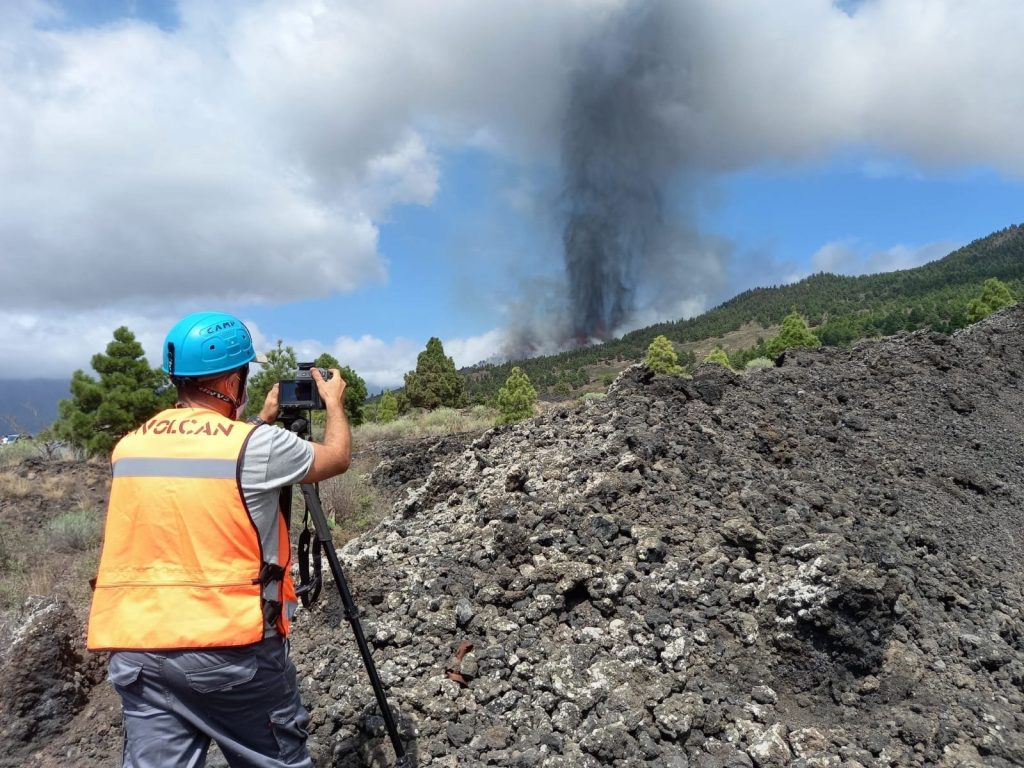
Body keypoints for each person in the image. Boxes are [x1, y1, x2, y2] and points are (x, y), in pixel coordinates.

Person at [86, 311, 351, 768]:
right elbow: (336, 457)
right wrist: (333, 403)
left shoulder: (129, 446)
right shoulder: (255, 446)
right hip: (229, 650)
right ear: (233, 382)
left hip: (138, 650)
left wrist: (259, 419)